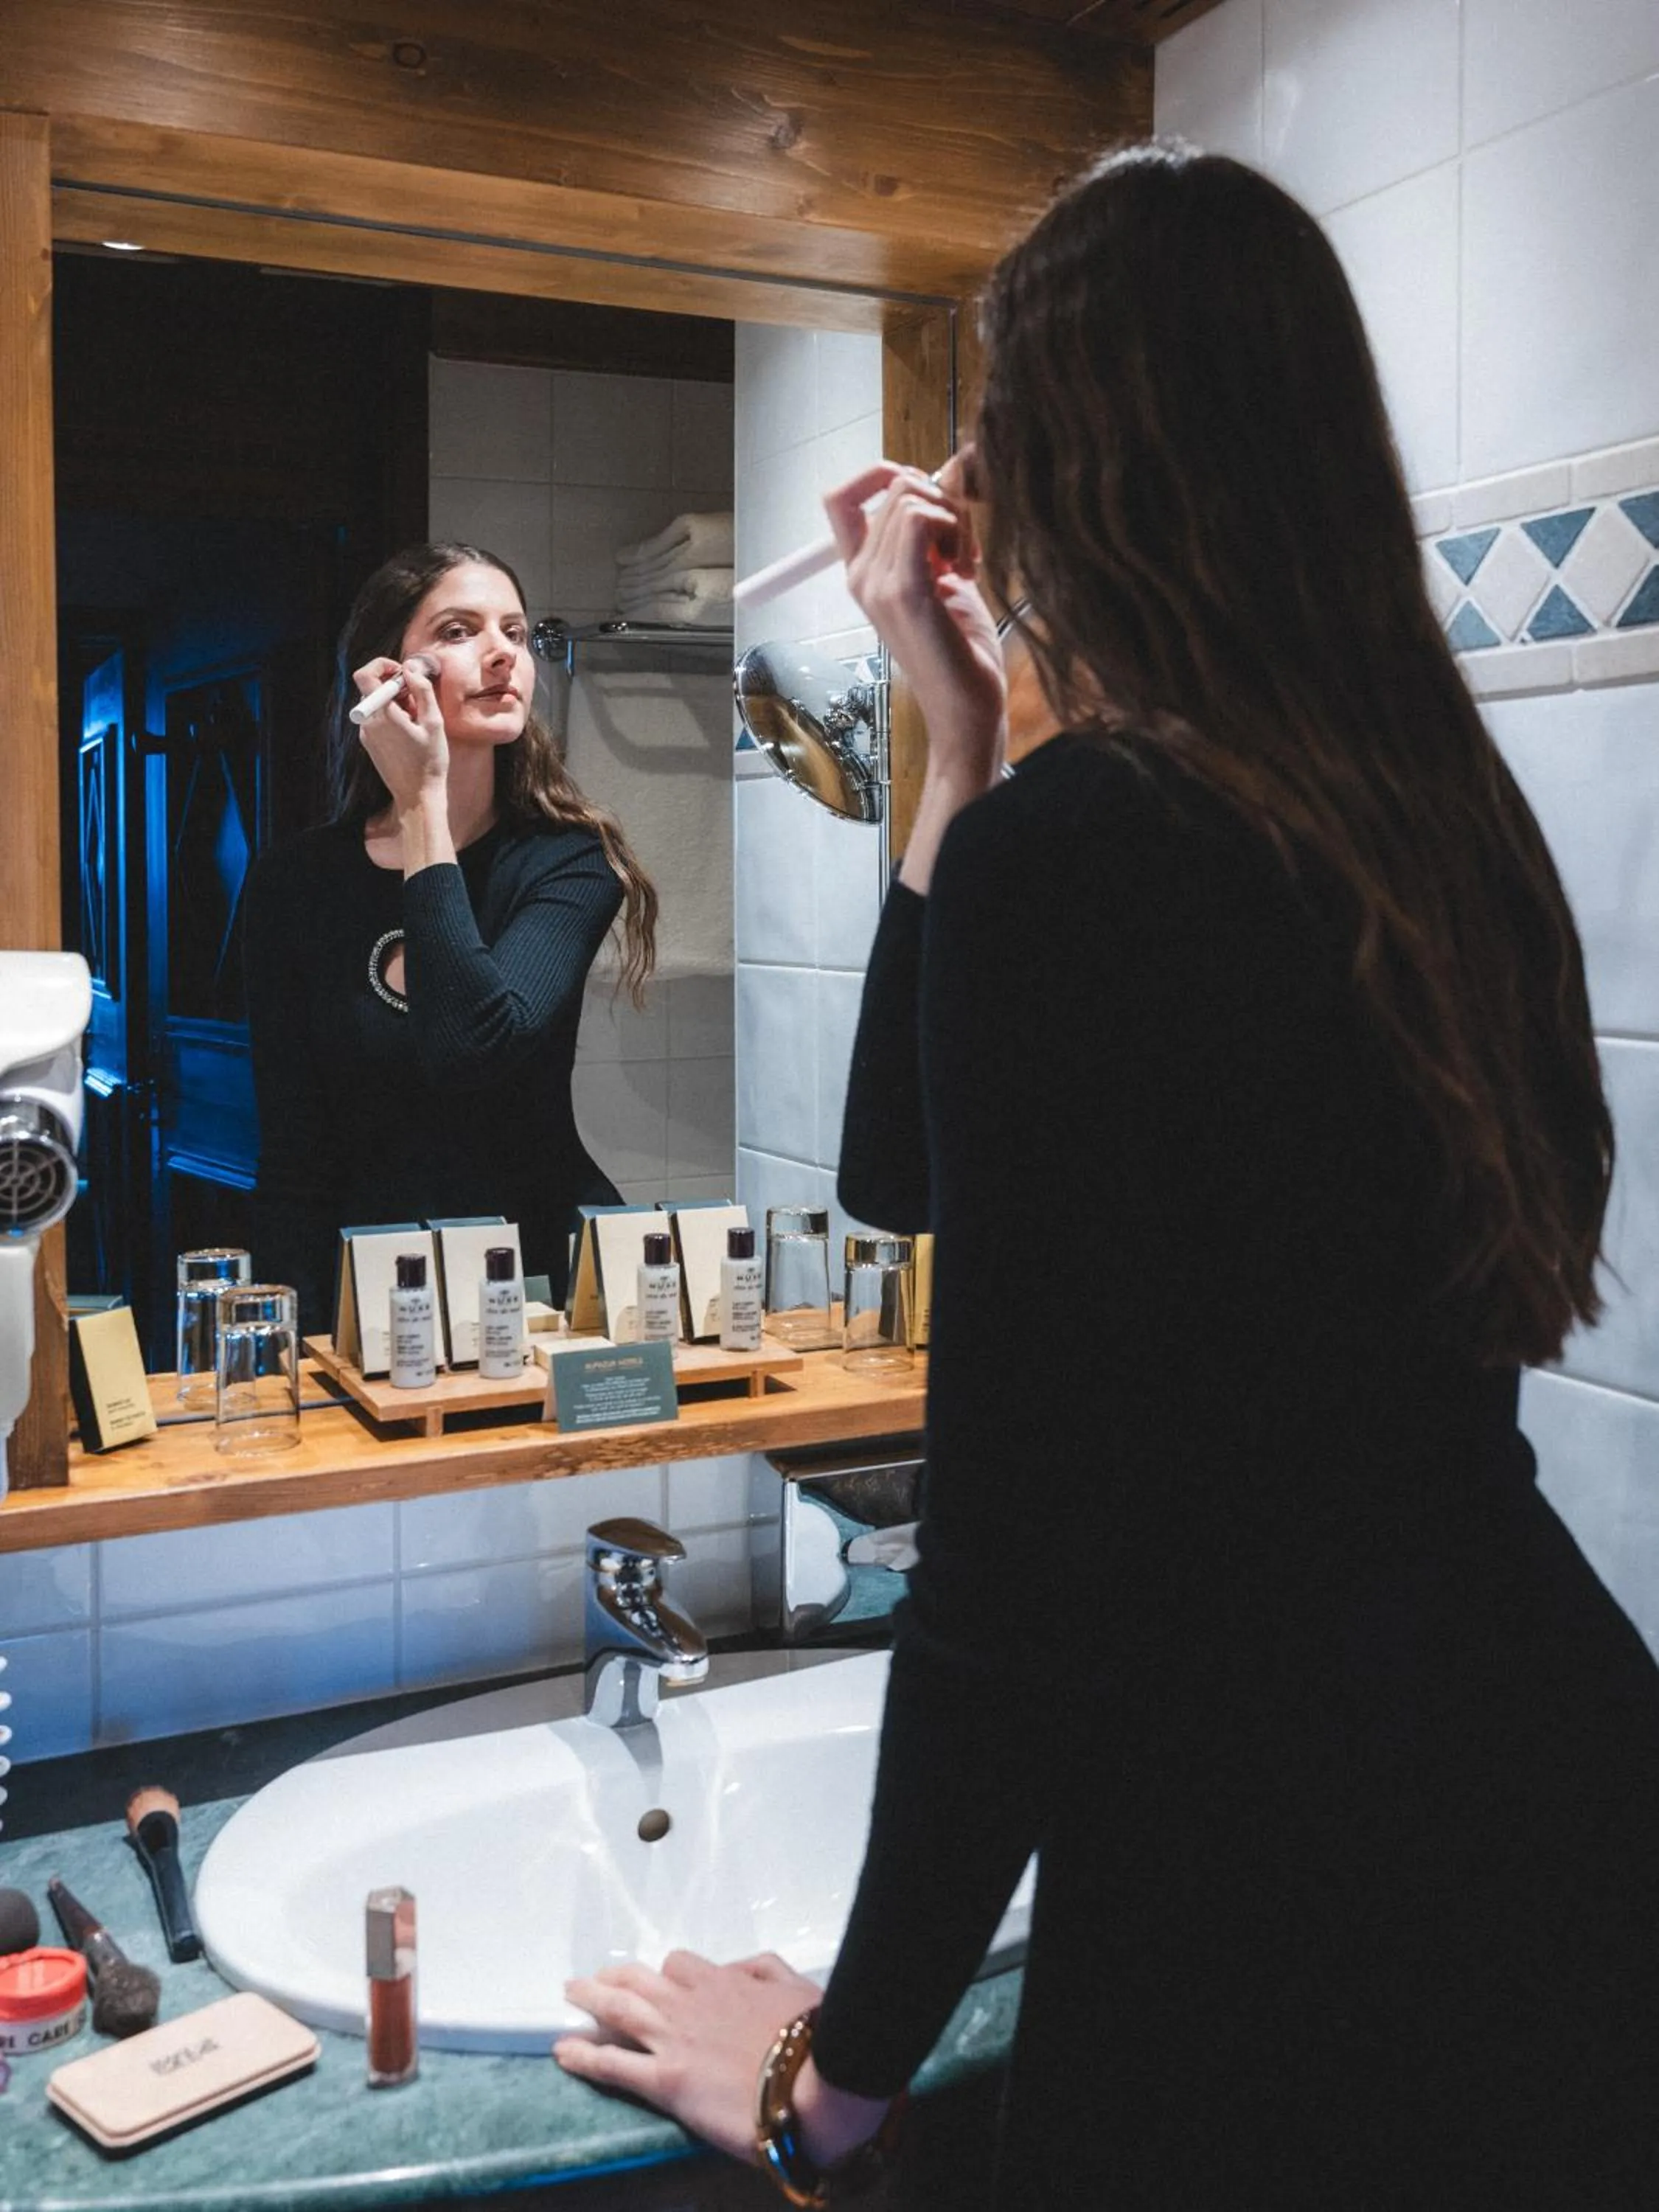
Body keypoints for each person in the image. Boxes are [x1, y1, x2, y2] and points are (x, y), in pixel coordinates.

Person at [551, 142, 1659, 2208]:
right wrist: (955, 741)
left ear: (1065, 461)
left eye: (992, 415)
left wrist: (833, 2082)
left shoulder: (1100, 852)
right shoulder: (1435, 819)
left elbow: (1011, 1581)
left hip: (1275, 1890)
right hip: (1561, 1798)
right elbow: (911, 1171)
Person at [246, 543, 655, 1332]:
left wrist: (423, 805)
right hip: (363, 1296)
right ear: (383, 677)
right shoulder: (293, 884)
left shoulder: (568, 861)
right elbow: (292, 1154)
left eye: (516, 631)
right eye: (461, 631)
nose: (504, 653)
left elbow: (473, 1043)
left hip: (544, 1290)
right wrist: (287, 1342)